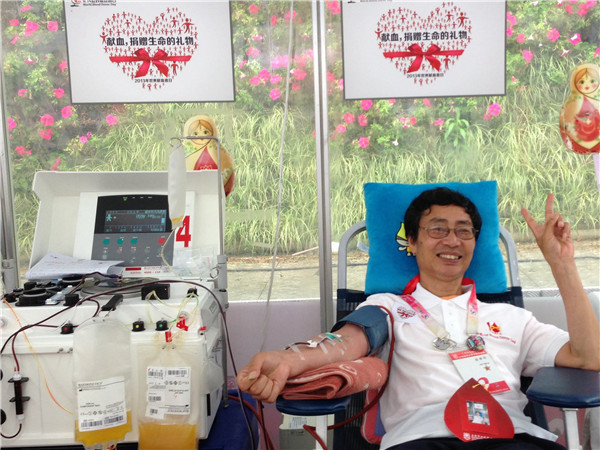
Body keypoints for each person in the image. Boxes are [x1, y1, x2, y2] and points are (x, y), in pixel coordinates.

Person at [237, 188, 600, 449]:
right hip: (422, 440)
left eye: (464, 231)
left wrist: (562, 263)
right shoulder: (387, 308)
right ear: (411, 241)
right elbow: (345, 343)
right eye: (437, 229)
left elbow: (590, 356)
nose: (452, 240)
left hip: (512, 438)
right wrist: (289, 359)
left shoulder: (511, 317)